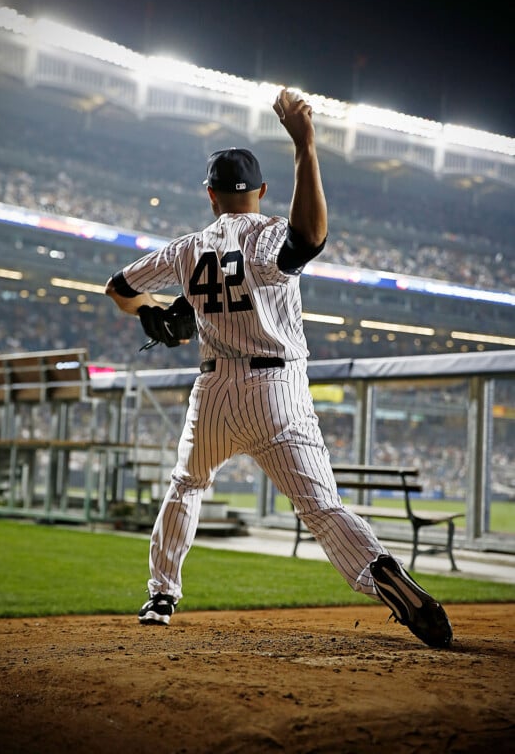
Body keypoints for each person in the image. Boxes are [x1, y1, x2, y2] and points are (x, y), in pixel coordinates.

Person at [105, 88, 452, 649]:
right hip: (277, 392)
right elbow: (308, 238)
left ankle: (161, 594)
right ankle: (382, 572)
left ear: (211, 196)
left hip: (215, 391)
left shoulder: (187, 249)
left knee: (187, 485)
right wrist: (305, 144)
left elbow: (118, 289)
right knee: (321, 509)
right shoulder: (267, 235)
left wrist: (155, 313)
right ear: (261, 193)